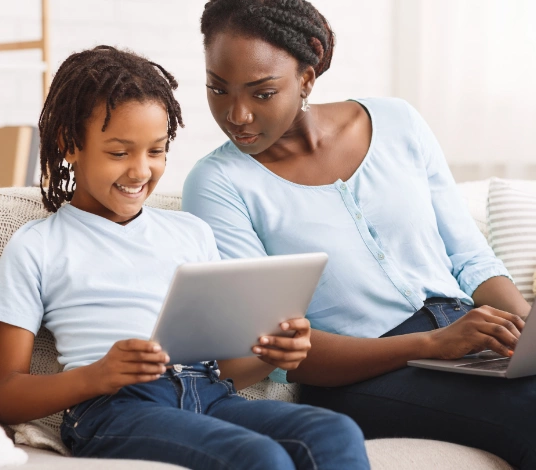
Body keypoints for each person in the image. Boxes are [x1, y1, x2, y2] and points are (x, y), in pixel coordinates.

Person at [181, 1, 536, 468]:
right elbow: (283, 349)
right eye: (218, 89)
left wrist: (528, 330)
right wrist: (431, 345)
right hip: (360, 378)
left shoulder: (398, 122)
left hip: (467, 338)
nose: (237, 114)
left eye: (262, 93)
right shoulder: (217, 184)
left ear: (306, 78)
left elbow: (471, 258)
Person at [0, 45, 370, 470]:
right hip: (115, 409)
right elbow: (6, 393)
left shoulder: (190, 233)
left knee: (335, 431)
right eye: (119, 153)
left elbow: (226, 369)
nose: (141, 171)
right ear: (70, 145)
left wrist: (271, 353)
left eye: (156, 151)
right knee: (260, 457)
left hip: (209, 394)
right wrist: (94, 376)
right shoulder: (36, 245)